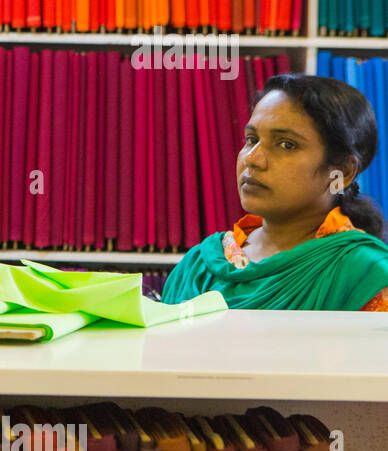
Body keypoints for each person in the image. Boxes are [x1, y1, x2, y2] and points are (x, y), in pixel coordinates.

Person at [162, 74, 388, 310]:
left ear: (342, 172)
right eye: (251, 139)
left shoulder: (367, 277)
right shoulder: (201, 265)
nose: (252, 159)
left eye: (286, 144)